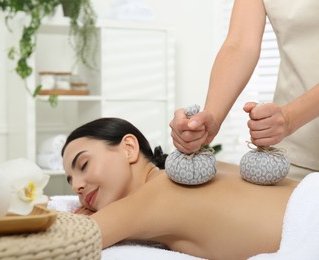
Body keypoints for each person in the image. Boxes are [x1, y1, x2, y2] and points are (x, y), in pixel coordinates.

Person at [61, 117, 304, 259]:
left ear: (129, 148)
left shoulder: (157, 192)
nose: (78, 187)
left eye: (83, 164)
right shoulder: (195, 169)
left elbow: (67, 242)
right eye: (70, 181)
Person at [170, 0, 319, 181]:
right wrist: (211, 118)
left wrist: (291, 117)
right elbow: (240, 45)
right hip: (295, 149)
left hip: (293, 124)